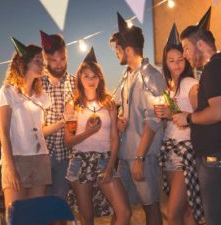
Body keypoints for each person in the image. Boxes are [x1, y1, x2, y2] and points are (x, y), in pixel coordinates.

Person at [173, 7, 221, 225]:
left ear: (199, 44)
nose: (186, 55)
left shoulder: (215, 67)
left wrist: (188, 118)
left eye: (186, 48)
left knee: (218, 219)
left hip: (220, 157)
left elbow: (219, 112)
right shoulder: (216, 68)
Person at [0, 37, 60, 222]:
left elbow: (39, 130)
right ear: (24, 63)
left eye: (42, 62)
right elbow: (3, 133)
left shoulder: (41, 96)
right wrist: (11, 167)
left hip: (40, 158)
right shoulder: (7, 92)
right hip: (17, 160)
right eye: (38, 61)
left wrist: (61, 124)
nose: (42, 65)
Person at [109, 12, 166, 225]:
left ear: (129, 50)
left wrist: (140, 158)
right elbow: (113, 104)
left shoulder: (151, 75)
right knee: (121, 207)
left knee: (150, 206)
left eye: (117, 49)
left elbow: (154, 120)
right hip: (125, 155)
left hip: (143, 156)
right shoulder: (127, 76)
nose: (116, 54)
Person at [64, 47, 131, 225]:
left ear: (100, 78)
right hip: (80, 161)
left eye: (94, 75)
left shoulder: (109, 104)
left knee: (124, 212)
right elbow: (68, 141)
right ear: (79, 78)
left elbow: (114, 138)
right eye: (86, 75)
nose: (90, 79)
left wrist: (110, 166)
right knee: (87, 219)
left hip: (104, 160)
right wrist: (88, 132)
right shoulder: (72, 106)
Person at [154, 23, 203, 225]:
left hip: (186, 151)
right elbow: (174, 120)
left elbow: (202, 117)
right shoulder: (169, 86)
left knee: (174, 214)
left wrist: (176, 113)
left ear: (186, 60)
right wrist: (165, 115)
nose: (176, 64)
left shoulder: (190, 84)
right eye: (171, 60)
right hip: (169, 150)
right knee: (185, 212)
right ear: (165, 63)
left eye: (180, 60)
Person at [40, 30, 76, 200]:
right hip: (41, 154)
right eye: (53, 60)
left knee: (61, 206)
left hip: (65, 155)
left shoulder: (74, 82)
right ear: (45, 59)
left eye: (62, 59)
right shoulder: (37, 82)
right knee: (42, 207)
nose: (59, 64)